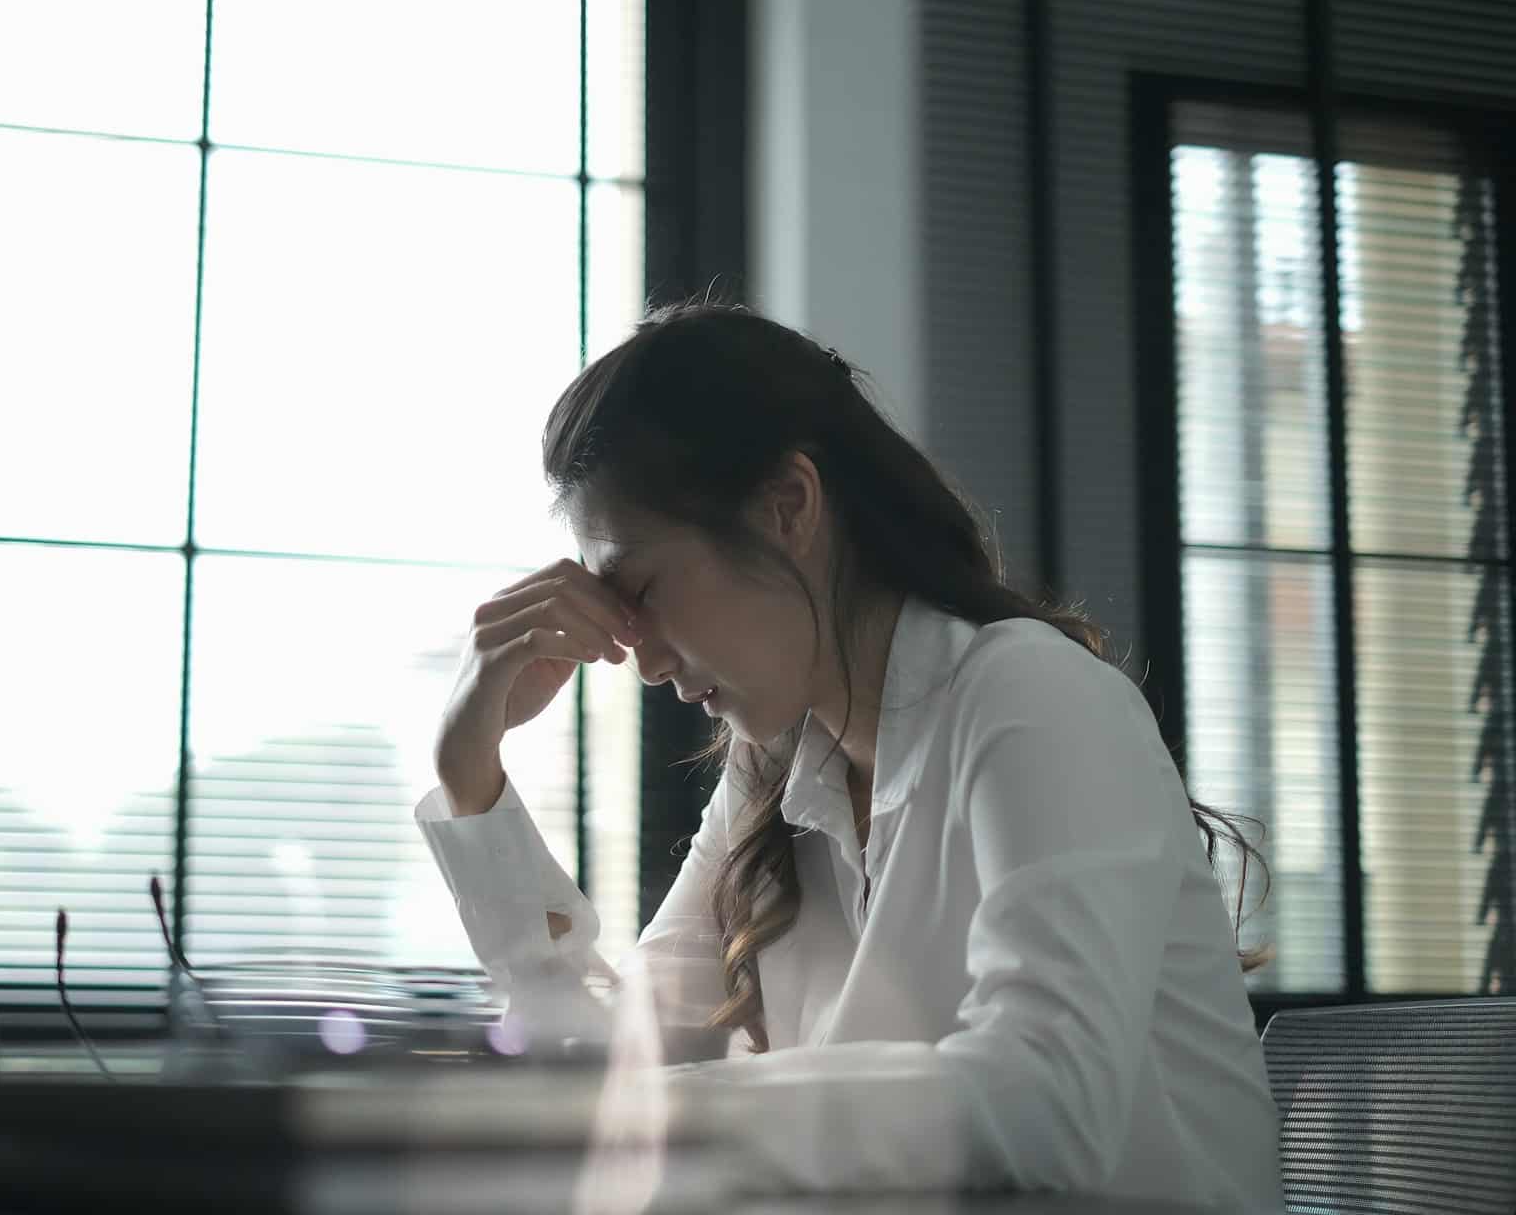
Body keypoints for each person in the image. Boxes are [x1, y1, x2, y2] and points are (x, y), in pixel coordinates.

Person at [415, 303, 1283, 1205]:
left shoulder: (1033, 696)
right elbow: (609, 1074)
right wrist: (470, 782)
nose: (644, 659)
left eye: (640, 588)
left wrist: (677, 1116)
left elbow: (1045, 1106)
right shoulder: (775, 773)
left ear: (789, 506)